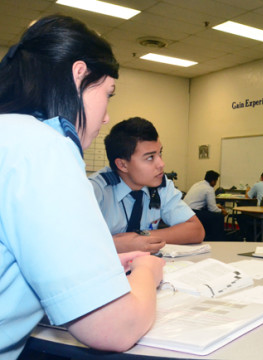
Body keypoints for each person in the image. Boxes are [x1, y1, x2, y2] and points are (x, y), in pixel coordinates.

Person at [0, 15, 164, 358]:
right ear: (79, 75)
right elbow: (115, 328)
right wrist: (147, 272)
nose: (105, 117)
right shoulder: (44, 146)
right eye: (108, 93)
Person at [89, 117, 204, 253]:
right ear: (122, 164)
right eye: (150, 157)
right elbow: (70, 246)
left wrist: (139, 237)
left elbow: (196, 230)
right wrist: (116, 245)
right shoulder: (95, 191)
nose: (161, 164)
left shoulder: (160, 185)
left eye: (160, 153)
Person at [184, 170, 228, 241]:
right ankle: (218, 239)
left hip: (185, 210)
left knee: (209, 214)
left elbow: (199, 201)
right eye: (216, 181)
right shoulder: (209, 189)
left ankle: (206, 235)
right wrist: (221, 211)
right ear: (213, 181)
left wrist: (216, 206)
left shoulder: (197, 184)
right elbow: (212, 209)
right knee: (219, 216)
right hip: (194, 212)